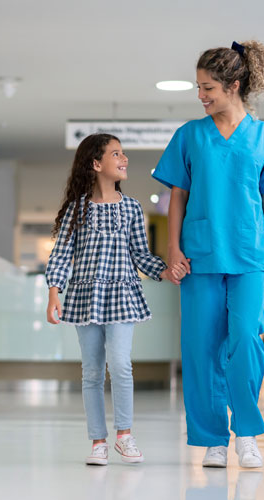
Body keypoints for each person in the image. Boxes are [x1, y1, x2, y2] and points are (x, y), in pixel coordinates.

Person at [152, 40, 264, 468]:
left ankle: (247, 434)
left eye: (208, 88)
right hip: (199, 255)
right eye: (198, 88)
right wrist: (173, 248)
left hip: (250, 254)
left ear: (233, 86)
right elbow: (177, 196)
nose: (201, 96)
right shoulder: (190, 135)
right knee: (200, 347)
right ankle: (214, 438)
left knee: (246, 342)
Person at [45, 134, 185, 466]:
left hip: (122, 294)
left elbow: (140, 254)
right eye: (116, 154)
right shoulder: (76, 210)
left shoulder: (132, 208)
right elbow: (62, 254)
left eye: (124, 154)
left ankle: (124, 435)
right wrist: (54, 291)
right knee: (92, 372)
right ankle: (98, 441)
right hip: (84, 297)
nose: (124, 159)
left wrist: (165, 271)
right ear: (96, 164)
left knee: (121, 365)